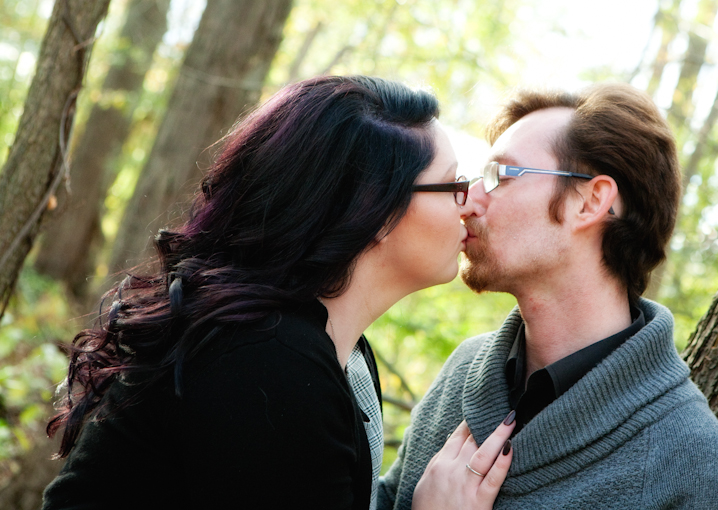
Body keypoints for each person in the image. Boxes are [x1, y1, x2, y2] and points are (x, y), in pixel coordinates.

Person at [42, 75, 514, 510]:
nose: (471, 203)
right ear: (374, 210)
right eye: (454, 184)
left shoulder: (332, 356)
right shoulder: (264, 360)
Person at [377, 83, 718, 509]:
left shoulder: (690, 460)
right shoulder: (465, 371)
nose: (469, 200)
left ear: (590, 202)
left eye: (500, 176)